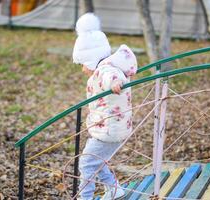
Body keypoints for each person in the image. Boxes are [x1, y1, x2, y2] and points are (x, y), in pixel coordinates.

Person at [72, 13, 138, 200]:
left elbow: (111, 76)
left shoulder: (104, 70)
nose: (83, 69)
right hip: (111, 126)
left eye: (83, 64)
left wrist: (114, 83)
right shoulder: (107, 66)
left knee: (86, 163)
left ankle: (85, 198)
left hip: (109, 129)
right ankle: (114, 189)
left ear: (91, 59)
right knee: (96, 161)